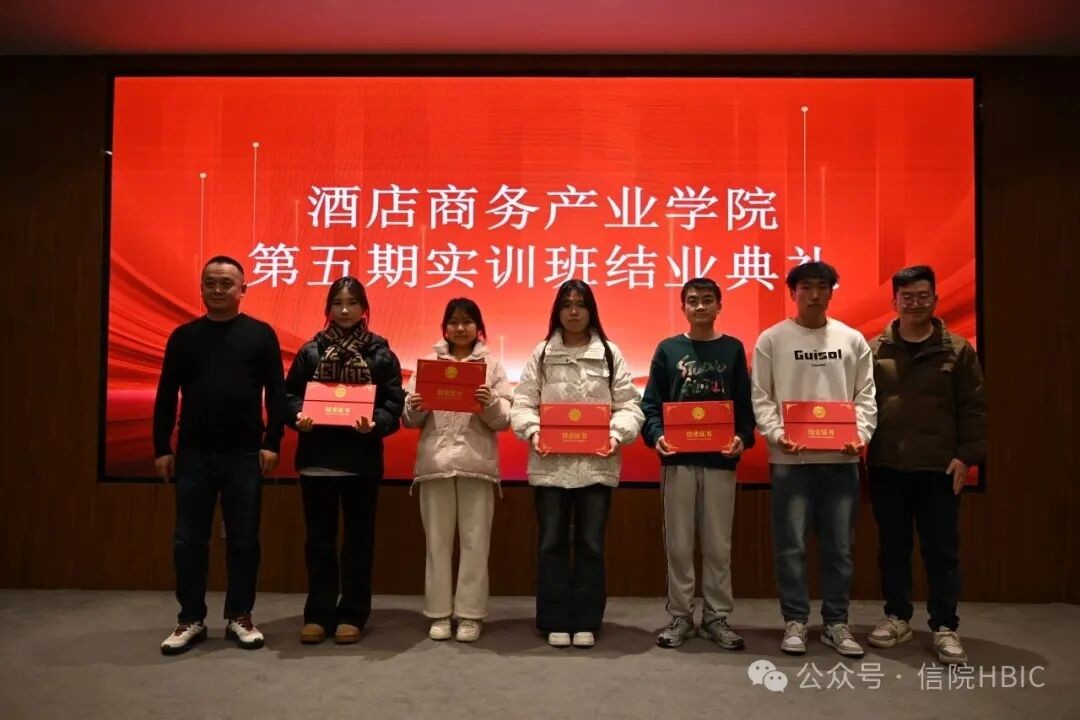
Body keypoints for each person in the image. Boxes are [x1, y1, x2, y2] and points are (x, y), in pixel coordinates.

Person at [155, 256, 286, 655]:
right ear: (201, 288)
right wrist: (161, 447)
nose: (217, 289)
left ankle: (240, 615)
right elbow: (166, 394)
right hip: (193, 453)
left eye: (226, 283)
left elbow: (277, 394)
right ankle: (190, 618)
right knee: (188, 540)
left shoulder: (260, 335)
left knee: (244, 539)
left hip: (244, 453)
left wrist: (272, 442)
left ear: (242, 289)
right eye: (210, 282)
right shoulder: (183, 337)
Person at [751, 261, 877, 658]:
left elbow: (865, 396)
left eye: (823, 287)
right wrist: (777, 434)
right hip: (790, 463)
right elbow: (761, 396)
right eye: (806, 287)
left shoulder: (852, 339)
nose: (815, 294)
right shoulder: (772, 339)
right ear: (793, 293)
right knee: (791, 547)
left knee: (839, 547)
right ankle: (795, 621)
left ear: (832, 292)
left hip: (841, 462)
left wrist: (860, 436)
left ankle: (837, 622)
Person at [511, 279, 644, 649]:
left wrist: (616, 434)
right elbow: (522, 403)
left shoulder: (609, 353)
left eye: (580, 305)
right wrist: (533, 431)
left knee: (591, 544)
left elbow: (629, 405)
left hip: (596, 466)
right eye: (567, 304)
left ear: (591, 311)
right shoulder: (541, 353)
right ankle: (554, 620)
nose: (573, 312)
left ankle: (586, 620)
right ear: (557, 311)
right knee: (551, 543)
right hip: (550, 466)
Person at [866, 265, 986, 665]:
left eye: (923, 296)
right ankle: (897, 617)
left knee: (941, 551)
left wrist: (966, 456)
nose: (915, 303)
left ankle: (945, 626)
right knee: (893, 548)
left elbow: (974, 408)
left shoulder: (957, 349)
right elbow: (860, 405)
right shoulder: (874, 349)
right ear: (894, 301)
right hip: (888, 465)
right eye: (907, 297)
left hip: (939, 468)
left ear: (935, 299)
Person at [285, 277, 404, 644]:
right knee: (319, 542)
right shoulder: (310, 351)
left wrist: (376, 424)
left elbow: (393, 403)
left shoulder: (380, 353)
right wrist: (298, 416)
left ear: (364, 308)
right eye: (338, 303)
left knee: (357, 543)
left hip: (360, 461)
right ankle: (318, 614)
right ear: (329, 309)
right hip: (317, 459)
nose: (345, 310)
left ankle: (353, 613)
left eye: (352, 303)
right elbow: (288, 396)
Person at [641, 277, 755, 651]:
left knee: (718, 546)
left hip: (720, 461)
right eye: (693, 300)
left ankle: (716, 617)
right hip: (678, 460)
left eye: (707, 300)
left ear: (719, 306)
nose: (700, 306)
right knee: (678, 543)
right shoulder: (668, 349)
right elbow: (651, 404)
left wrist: (743, 438)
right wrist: (657, 435)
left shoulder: (732, 349)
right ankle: (681, 615)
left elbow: (745, 406)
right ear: (684, 307)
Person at [402, 298, 512, 643]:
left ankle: (469, 614)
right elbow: (409, 419)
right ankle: (438, 613)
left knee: (476, 543)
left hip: (476, 465)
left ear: (478, 327)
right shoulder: (428, 364)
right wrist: (414, 406)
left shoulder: (492, 367)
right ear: (445, 328)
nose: (460, 328)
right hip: (435, 465)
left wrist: (490, 403)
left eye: (467, 321)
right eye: (453, 322)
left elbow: (504, 420)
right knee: (436, 544)